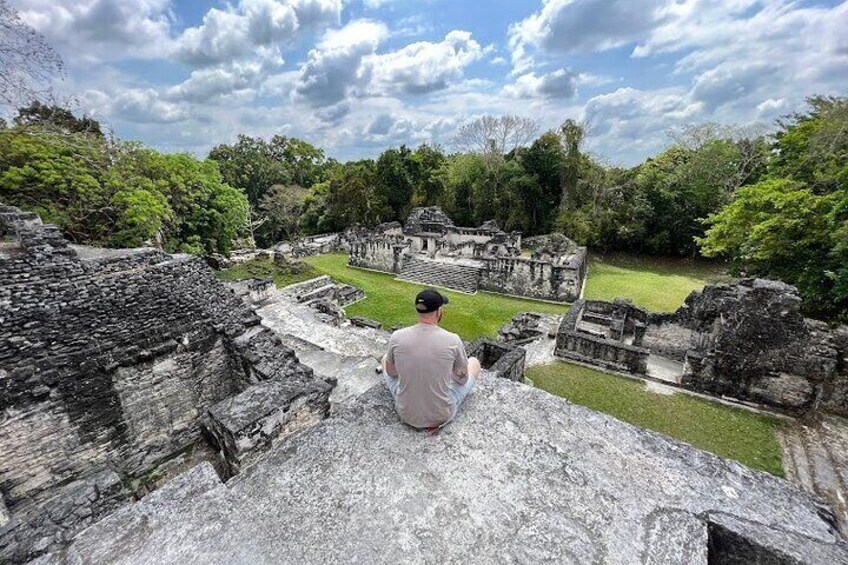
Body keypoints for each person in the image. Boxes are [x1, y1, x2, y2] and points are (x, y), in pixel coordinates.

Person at [380, 288, 482, 430]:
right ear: (439, 311)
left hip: (406, 414)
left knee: (385, 358)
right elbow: (462, 380)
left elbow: (391, 373)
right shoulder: (452, 340)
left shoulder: (397, 336)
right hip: (441, 415)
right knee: (474, 363)